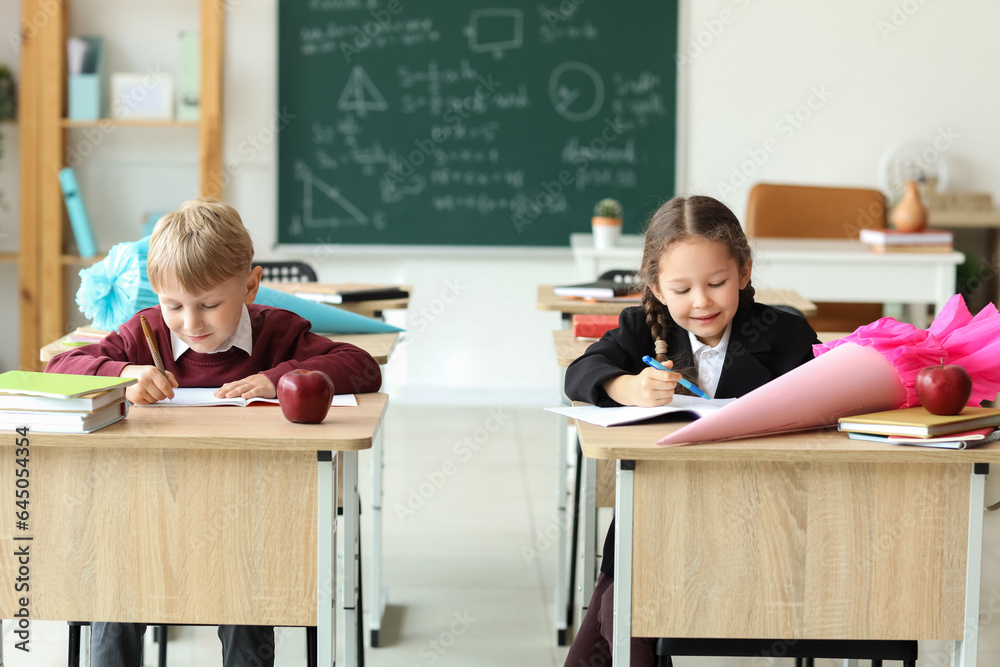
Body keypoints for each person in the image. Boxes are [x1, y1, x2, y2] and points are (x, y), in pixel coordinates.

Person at [46, 197, 382, 667]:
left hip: (250, 517)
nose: (190, 322)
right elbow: (59, 366)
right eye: (174, 305)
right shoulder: (144, 333)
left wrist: (275, 377)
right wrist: (123, 372)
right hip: (150, 510)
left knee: (245, 603)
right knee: (114, 590)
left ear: (250, 286)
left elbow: (361, 365)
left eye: (209, 305)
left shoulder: (278, 332)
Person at [563, 195, 820, 667]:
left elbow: (828, 402)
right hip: (659, 520)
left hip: (758, 521)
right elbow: (579, 373)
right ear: (657, 287)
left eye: (717, 283)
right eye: (680, 289)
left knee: (617, 611)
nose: (700, 302)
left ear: (743, 273)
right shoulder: (641, 328)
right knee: (617, 617)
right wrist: (626, 386)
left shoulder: (786, 335)